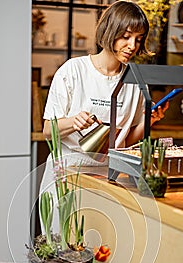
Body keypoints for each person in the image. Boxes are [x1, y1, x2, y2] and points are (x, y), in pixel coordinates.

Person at [40, 0, 168, 231]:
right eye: (126, 36)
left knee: (101, 252)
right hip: (67, 173)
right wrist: (73, 122)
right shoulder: (73, 71)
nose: (132, 46)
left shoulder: (136, 83)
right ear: (110, 31)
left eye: (138, 39)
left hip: (110, 177)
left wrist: (149, 122)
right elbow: (48, 131)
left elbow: (125, 142)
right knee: (63, 250)